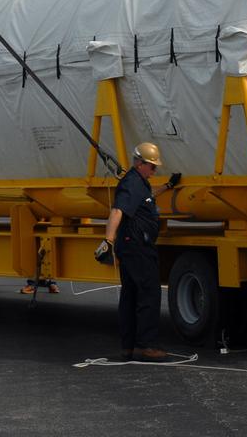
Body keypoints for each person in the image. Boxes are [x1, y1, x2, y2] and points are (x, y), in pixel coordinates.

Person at [94, 142, 179, 363]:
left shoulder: (139, 183)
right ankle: (147, 345)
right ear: (140, 163)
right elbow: (118, 210)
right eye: (152, 166)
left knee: (131, 295)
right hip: (137, 248)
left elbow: (146, 198)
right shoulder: (131, 183)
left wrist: (168, 186)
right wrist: (108, 239)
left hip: (135, 247)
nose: (154, 170)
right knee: (149, 293)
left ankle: (128, 347)